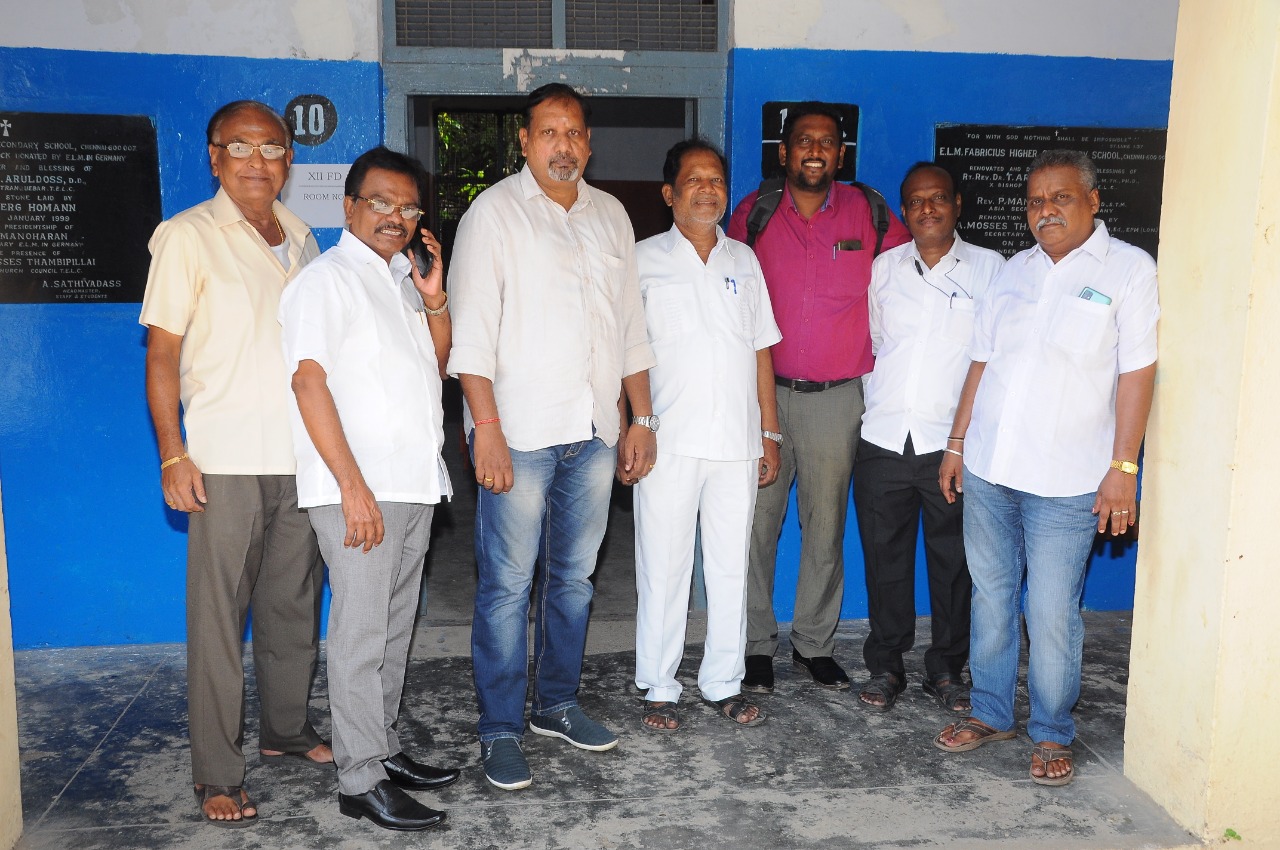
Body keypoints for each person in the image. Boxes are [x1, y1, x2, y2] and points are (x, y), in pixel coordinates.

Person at [448, 83, 658, 790]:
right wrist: (486, 429)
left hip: (594, 430)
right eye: (548, 132)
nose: (562, 145)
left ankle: (556, 704)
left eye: (573, 132)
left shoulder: (611, 216)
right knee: (508, 587)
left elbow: (630, 329)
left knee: (573, 581)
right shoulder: (492, 214)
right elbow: (472, 336)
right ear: (525, 141)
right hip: (520, 432)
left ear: (589, 143)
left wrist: (640, 419)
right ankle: (500, 728)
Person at [933, 150, 1158, 787]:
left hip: (1068, 481)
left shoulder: (1129, 270)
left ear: (1093, 202)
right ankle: (991, 712)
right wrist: (956, 444)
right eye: (1036, 200)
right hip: (989, 468)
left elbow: (1138, 371)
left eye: (1061, 198)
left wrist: (1124, 466)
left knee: (1053, 610)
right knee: (992, 597)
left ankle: (1053, 729)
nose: (1046, 211)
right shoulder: (1014, 272)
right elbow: (981, 363)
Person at [140, 100, 331, 827]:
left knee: (292, 606)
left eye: (271, 147)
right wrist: (174, 452)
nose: (257, 161)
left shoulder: (303, 237)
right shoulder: (186, 236)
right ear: (214, 157)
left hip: (300, 456)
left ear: (289, 159)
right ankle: (218, 773)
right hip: (221, 458)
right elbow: (162, 354)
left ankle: (286, 731)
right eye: (241, 147)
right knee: (220, 621)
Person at [280, 146, 460, 831]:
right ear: (349, 205)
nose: (395, 217)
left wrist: (436, 300)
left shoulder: (399, 282)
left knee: (392, 628)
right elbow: (307, 382)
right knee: (359, 636)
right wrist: (350, 487)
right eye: (380, 202)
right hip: (360, 489)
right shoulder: (325, 282)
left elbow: (434, 367)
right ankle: (359, 779)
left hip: (411, 483)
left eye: (408, 207)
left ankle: (380, 748)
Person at [727, 102, 911, 693]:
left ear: (841, 154)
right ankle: (755, 644)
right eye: (803, 140)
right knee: (757, 524)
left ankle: (813, 644)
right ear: (783, 152)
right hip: (763, 396)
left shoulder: (870, 212)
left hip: (837, 401)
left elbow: (914, 276)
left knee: (826, 525)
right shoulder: (753, 214)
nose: (815, 151)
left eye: (826, 142)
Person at [632, 139, 782, 733]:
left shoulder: (744, 260)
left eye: (716, 179)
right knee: (663, 568)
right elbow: (626, 351)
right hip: (667, 442)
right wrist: (635, 425)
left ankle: (724, 682)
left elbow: (761, 348)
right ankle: (659, 686)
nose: (707, 189)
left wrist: (769, 431)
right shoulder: (642, 259)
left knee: (729, 569)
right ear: (669, 193)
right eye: (694, 179)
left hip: (737, 444)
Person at [853, 162, 1005, 713]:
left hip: (952, 446)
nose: (927, 209)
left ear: (957, 203)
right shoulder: (885, 268)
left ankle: (946, 668)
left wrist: (964, 442)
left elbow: (994, 358)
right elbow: (876, 344)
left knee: (953, 563)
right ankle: (887, 666)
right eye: (916, 201)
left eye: (938, 197)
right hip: (884, 438)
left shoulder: (990, 270)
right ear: (904, 211)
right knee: (884, 559)